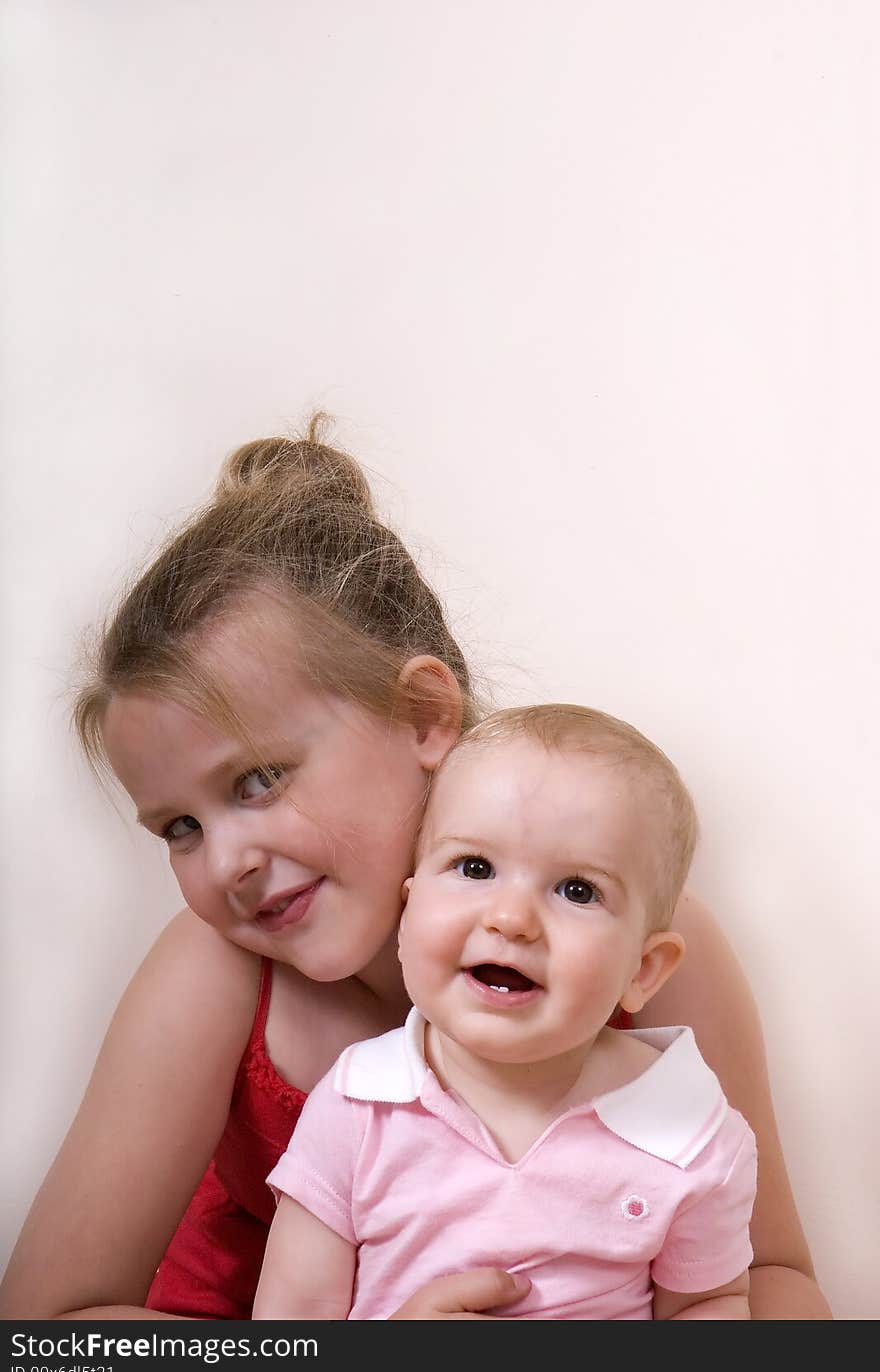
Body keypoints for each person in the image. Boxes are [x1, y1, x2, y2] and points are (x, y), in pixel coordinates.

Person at [0, 422, 831, 1321]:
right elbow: (48, 1335)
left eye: (260, 779)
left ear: (423, 714)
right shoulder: (214, 972)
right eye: (180, 828)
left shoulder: (641, 946)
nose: (228, 859)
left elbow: (771, 1277)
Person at [254, 704, 757, 1320]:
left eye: (577, 890)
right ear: (409, 917)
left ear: (642, 971)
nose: (511, 918)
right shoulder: (359, 1106)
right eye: (474, 868)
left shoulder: (690, 1136)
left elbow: (706, 1307)